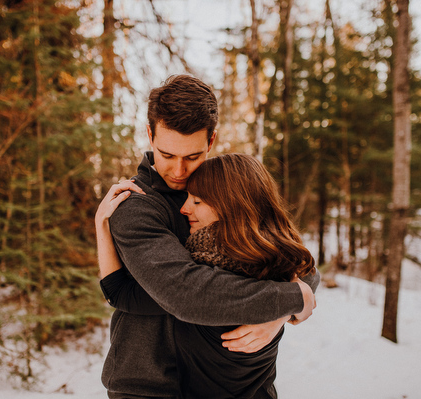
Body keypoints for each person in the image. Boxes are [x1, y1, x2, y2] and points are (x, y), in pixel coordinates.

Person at [95, 74, 319, 398]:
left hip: (236, 387)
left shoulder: (226, 188)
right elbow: (185, 293)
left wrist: (279, 313)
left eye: (192, 156)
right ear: (149, 135)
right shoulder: (134, 205)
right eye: (167, 155)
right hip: (149, 385)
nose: (179, 171)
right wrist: (290, 299)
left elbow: (292, 258)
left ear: (210, 142)